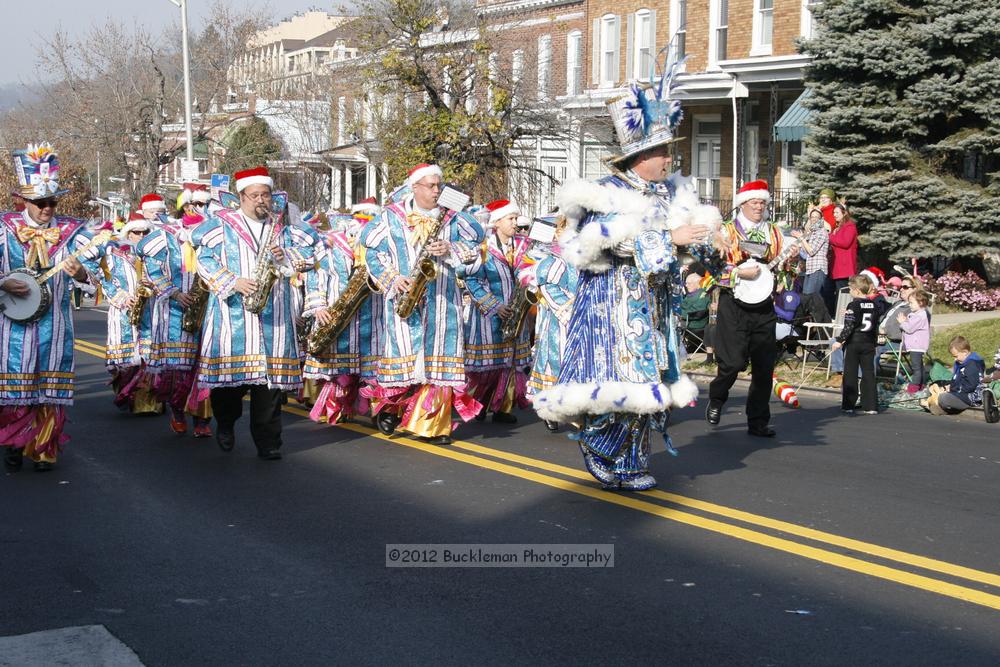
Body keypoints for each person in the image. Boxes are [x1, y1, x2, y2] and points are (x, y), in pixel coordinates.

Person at [533, 63, 719, 491]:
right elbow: (601, 245)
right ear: (642, 157)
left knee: (648, 386)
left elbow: (687, 243)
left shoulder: (671, 192)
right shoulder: (607, 192)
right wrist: (669, 239)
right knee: (614, 382)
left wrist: (701, 244)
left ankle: (631, 463)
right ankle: (599, 449)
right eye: (663, 152)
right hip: (611, 305)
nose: (671, 159)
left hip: (653, 306)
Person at [362, 163, 484, 446]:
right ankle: (389, 408)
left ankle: (433, 426)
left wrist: (451, 249)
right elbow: (372, 253)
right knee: (404, 364)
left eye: (438, 185)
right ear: (414, 187)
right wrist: (393, 279)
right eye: (430, 185)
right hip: (406, 300)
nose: (436, 190)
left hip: (444, 303)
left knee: (439, 365)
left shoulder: (452, 217)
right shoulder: (391, 217)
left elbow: (476, 244)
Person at [191, 166, 303, 460]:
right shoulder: (221, 225)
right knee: (230, 386)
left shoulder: (282, 227)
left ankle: (269, 442)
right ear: (241, 197)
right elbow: (202, 259)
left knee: (270, 388)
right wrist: (232, 281)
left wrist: (285, 257)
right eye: (254, 196)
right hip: (234, 316)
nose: (261, 201)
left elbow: (303, 259)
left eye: (265, 194)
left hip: (274, 316)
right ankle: (225, 423)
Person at [1, 143, 101, 472]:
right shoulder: (4, 230)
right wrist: (3, 282)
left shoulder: (74, 232)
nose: (47, 208)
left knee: (49, 390)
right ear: (23, 201)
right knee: (18, 386)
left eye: (52, 202)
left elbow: (101, 273)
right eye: (40, 202)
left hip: (56, 325)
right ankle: (14, 443)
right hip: (13, 327)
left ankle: (44, 448)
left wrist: (82, 272)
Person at [705, 179, 786, 437]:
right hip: (735, 304)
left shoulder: (774, 232)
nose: (759, 206)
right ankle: (717, 399)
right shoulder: (727, 231)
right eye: (754, 202)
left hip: (764, 306)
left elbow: (783, 268)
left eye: (762, 202)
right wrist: (738, 274)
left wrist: (787, 267)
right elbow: (711, 270)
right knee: (732, 362)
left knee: (764, 366)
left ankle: (758, 421)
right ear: (743, 203)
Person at [137, 183, 213, 436]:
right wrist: (174, 292)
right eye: (197, 204)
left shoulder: (215, 231)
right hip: (175, 312)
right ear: (186, 206)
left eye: (206, 204)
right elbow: (152, 265)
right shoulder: (167, 234)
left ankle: (203, 421)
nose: (202, 209)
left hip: (209, 310)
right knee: (179, 372)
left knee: (205, 370)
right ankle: (178, 410)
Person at [464, 199, 533, 424]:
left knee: (511, 364)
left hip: (516, 314)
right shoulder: (482, 247)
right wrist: (495, 306)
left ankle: (503, 406)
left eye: (516, 219)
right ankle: (479, 404)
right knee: (487, 366)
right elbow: (473, 281)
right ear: (497, 222)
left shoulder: (523, 246)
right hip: (488, 316)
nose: (515, 223)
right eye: (510, 219)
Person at [99, 213, 161, 414]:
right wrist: (122, 297)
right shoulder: (113, 254)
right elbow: (104, 280)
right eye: (136, 232)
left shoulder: (155, 255)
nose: (141, 235)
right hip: (123, 313)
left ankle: (148, 402)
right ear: (128, 232)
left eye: (145, 232)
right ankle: (127, 394)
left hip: (150, 313)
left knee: (149, 357)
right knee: (124, 362)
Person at [522, 216, 577, 432]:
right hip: (556, 322)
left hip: (581, 319)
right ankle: (550, 408)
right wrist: (569, 313)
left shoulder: (584, 260)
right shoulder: (552, 260)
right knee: (554, 359)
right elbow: (548, 288)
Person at [831, 275, 884, 414]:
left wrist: (839, 341)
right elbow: (873, 322)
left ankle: (849, 405)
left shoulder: (853, 304)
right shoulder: (874, 304)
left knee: (850, 373)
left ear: (857, 290)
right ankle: (871, 406)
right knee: (868, 373)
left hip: (854, 343)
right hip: (868, 343)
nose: (850, 291)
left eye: (851, 289)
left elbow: (849, 326)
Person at [926, 336, 986, 415]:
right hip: (960, 392)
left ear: (965, 352)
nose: (955, 359)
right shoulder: (961, 363)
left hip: (971, 397)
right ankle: (936, 404)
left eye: (956, 356)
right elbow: (957, 380)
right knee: (934, 386)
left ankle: (940, 406)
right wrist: (948, 385)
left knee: (944, 398)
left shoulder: (972, 365)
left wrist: (952, 388)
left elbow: (969, 386)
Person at [826, 204, 858, 313]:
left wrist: (829, 236)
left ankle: (841, 316)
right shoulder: (837, 228)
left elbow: (845, 242)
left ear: (844, 213)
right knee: (831, 294)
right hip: (835, 268)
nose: (834, 215)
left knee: (842, 294)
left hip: (844, 268)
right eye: (833, 213)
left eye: (837, 212)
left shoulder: (850, 226)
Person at [897, 289, 931, 392]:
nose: (909, 305)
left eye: (911, 302)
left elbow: (909, 329)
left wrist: (902, 322)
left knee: (916, 368)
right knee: (920, 367)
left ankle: (913, 388)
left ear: (920, 303)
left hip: (916, 346)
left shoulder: (920, 315)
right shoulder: (919, 314)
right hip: (917, 345)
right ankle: (921, 384)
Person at [794, 208, 828, 295]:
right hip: (810, 269)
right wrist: (800, 241)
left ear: (821, 219)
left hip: (818, 269)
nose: (814, 219)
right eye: (812, 217)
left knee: (811, 298)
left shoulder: (822, 232)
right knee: (806, 296)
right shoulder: (813, 233)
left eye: (817, 217)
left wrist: (802, 238)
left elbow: (812, 251)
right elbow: (806, 251)